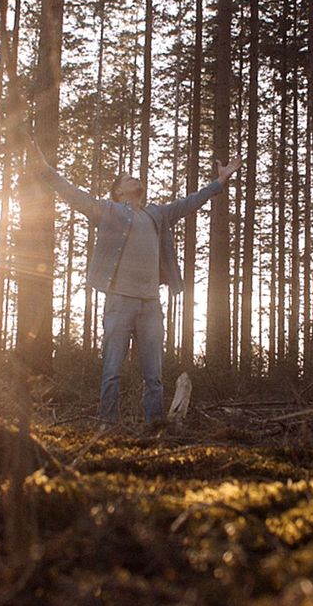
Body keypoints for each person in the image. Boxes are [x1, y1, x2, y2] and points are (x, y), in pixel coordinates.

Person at [28, 136, 241, 427]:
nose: (134, 177)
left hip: (151, 304)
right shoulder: (110, 211)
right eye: (128, 178)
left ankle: (154, 425)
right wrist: (44, 169)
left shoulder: (157, 214)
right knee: (112, 369)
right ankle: (108, 425)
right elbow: (74, 195)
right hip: (120, 301)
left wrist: (219, 182)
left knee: (153, 374)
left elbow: (190, 203)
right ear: (118, 192)